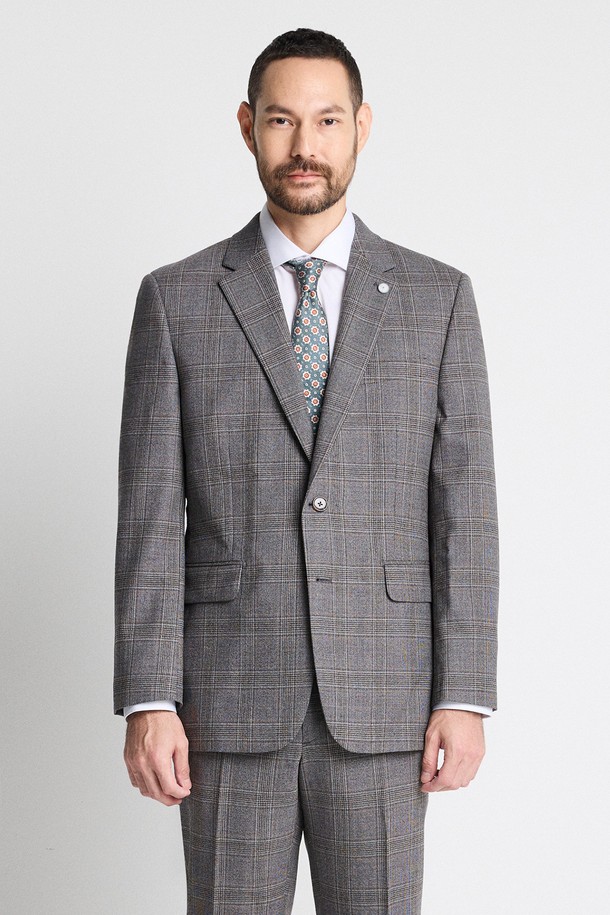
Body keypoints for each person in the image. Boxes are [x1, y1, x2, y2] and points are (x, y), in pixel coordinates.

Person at [114, 27, 499, 914]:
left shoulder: (438, 299)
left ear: (362, 126)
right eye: (282, 119)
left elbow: (465, 509)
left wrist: (466, 692)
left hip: (386, 702)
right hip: (224, 703)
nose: (304, 145)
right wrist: (149, 695)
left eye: (327, 120)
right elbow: (148, 517)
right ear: (247, 126)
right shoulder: (176, 299)